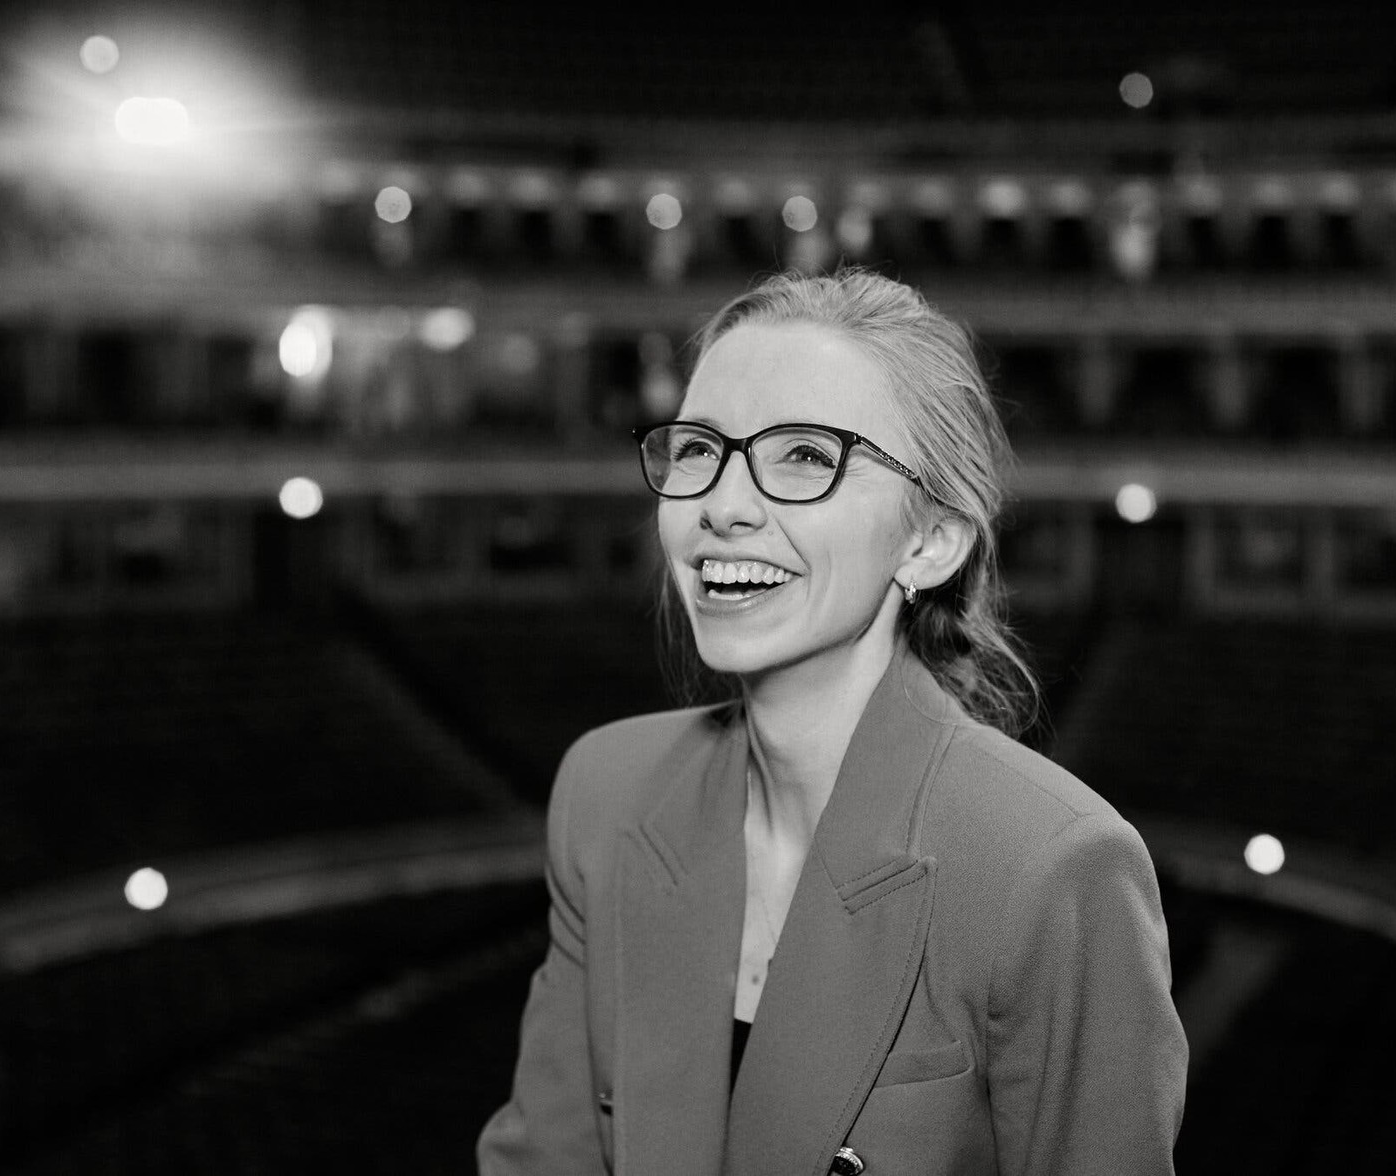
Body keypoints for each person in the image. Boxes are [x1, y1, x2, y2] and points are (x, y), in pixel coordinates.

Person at [478, 269, 1186, 1175]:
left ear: (930, 541)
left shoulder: (1052, 868)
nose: (722, 506)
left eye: (807, 456)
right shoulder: (603, 792)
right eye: (698, 449)